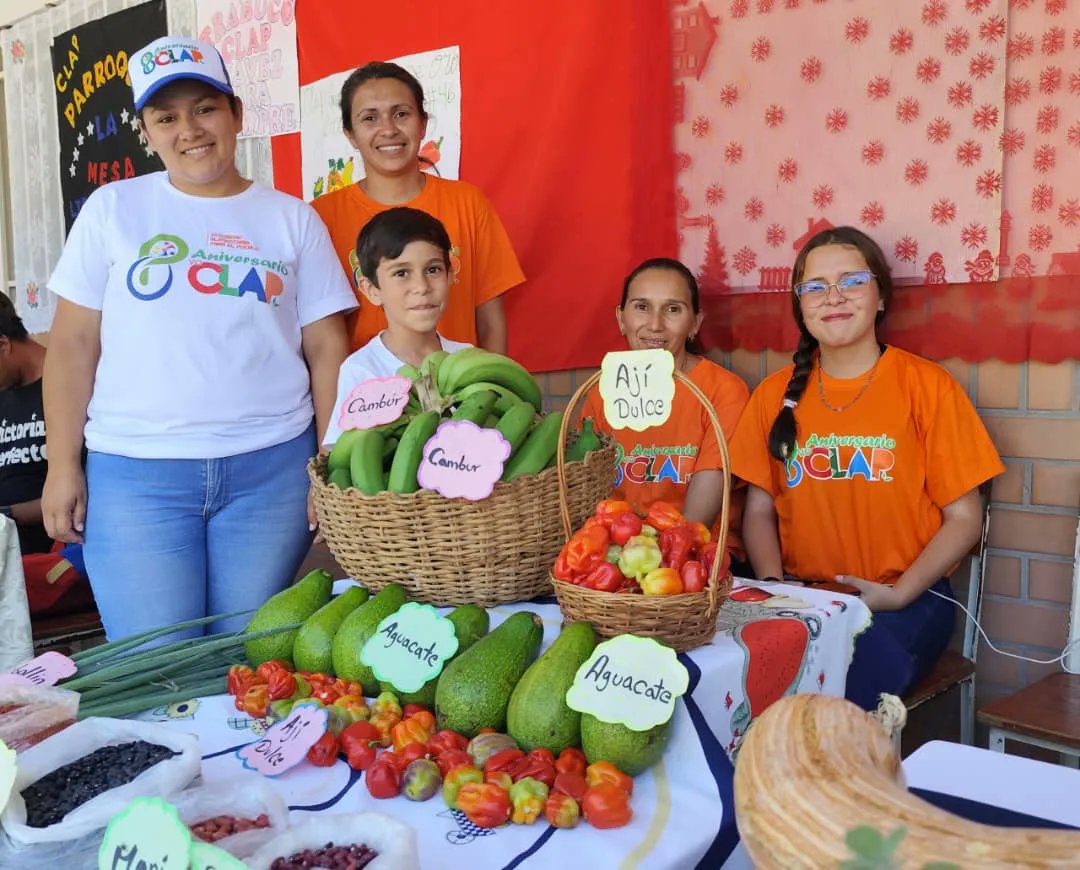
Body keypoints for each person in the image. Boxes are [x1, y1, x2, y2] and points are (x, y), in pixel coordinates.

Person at [42, 36, 356, 641]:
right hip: (136, 476)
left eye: (205, 108)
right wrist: (62, 464)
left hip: (271, 472)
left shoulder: (293, 219)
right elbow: (73, 345)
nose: (190, 129)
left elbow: (325, 350)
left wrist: (329, 465)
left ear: (236, 115)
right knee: (157, 666)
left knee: (243, 660)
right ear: (147, 132)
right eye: (167, 117)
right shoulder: (113, 210)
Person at [728, 226, 1004, 709]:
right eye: (815, 287)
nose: (833, 297)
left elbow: (965, 518)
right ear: (800, 305)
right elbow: (758, 510)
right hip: (803, 598)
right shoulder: (774, 395)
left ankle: (826, 782)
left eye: (851, 281)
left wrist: (898, 594)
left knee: (834, 698)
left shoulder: (926, 387)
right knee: (737, 679)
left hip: (906, 602)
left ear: (880, 297)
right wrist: (774, 588)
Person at [311, 61, 524, 354]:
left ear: (422, 124)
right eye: (369, 118)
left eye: (401, 114)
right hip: (367, 394)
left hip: (459, 390)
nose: (388, 129)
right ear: (350, 134)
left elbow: (490, 322)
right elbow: (319, 336)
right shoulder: (319, 218)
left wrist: (491, 389)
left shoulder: (468, 204)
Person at [583, 258, 750, 565]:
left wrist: (657, 560)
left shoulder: (722, 390)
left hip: (696, 558)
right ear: (621, 318)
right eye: (641, 307)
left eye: (673, 309)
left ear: (695, 323)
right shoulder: (600, 390)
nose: (655, 324)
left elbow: (708, 495)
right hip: (617, 557)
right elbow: (587, 487)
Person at [323, 207, 470, 446]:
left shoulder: (467, 359)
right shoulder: (361, 370)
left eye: (433, 270)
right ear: (371, 289)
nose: (421, 286)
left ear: (450, 275)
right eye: (402, 273)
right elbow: (339, 453)